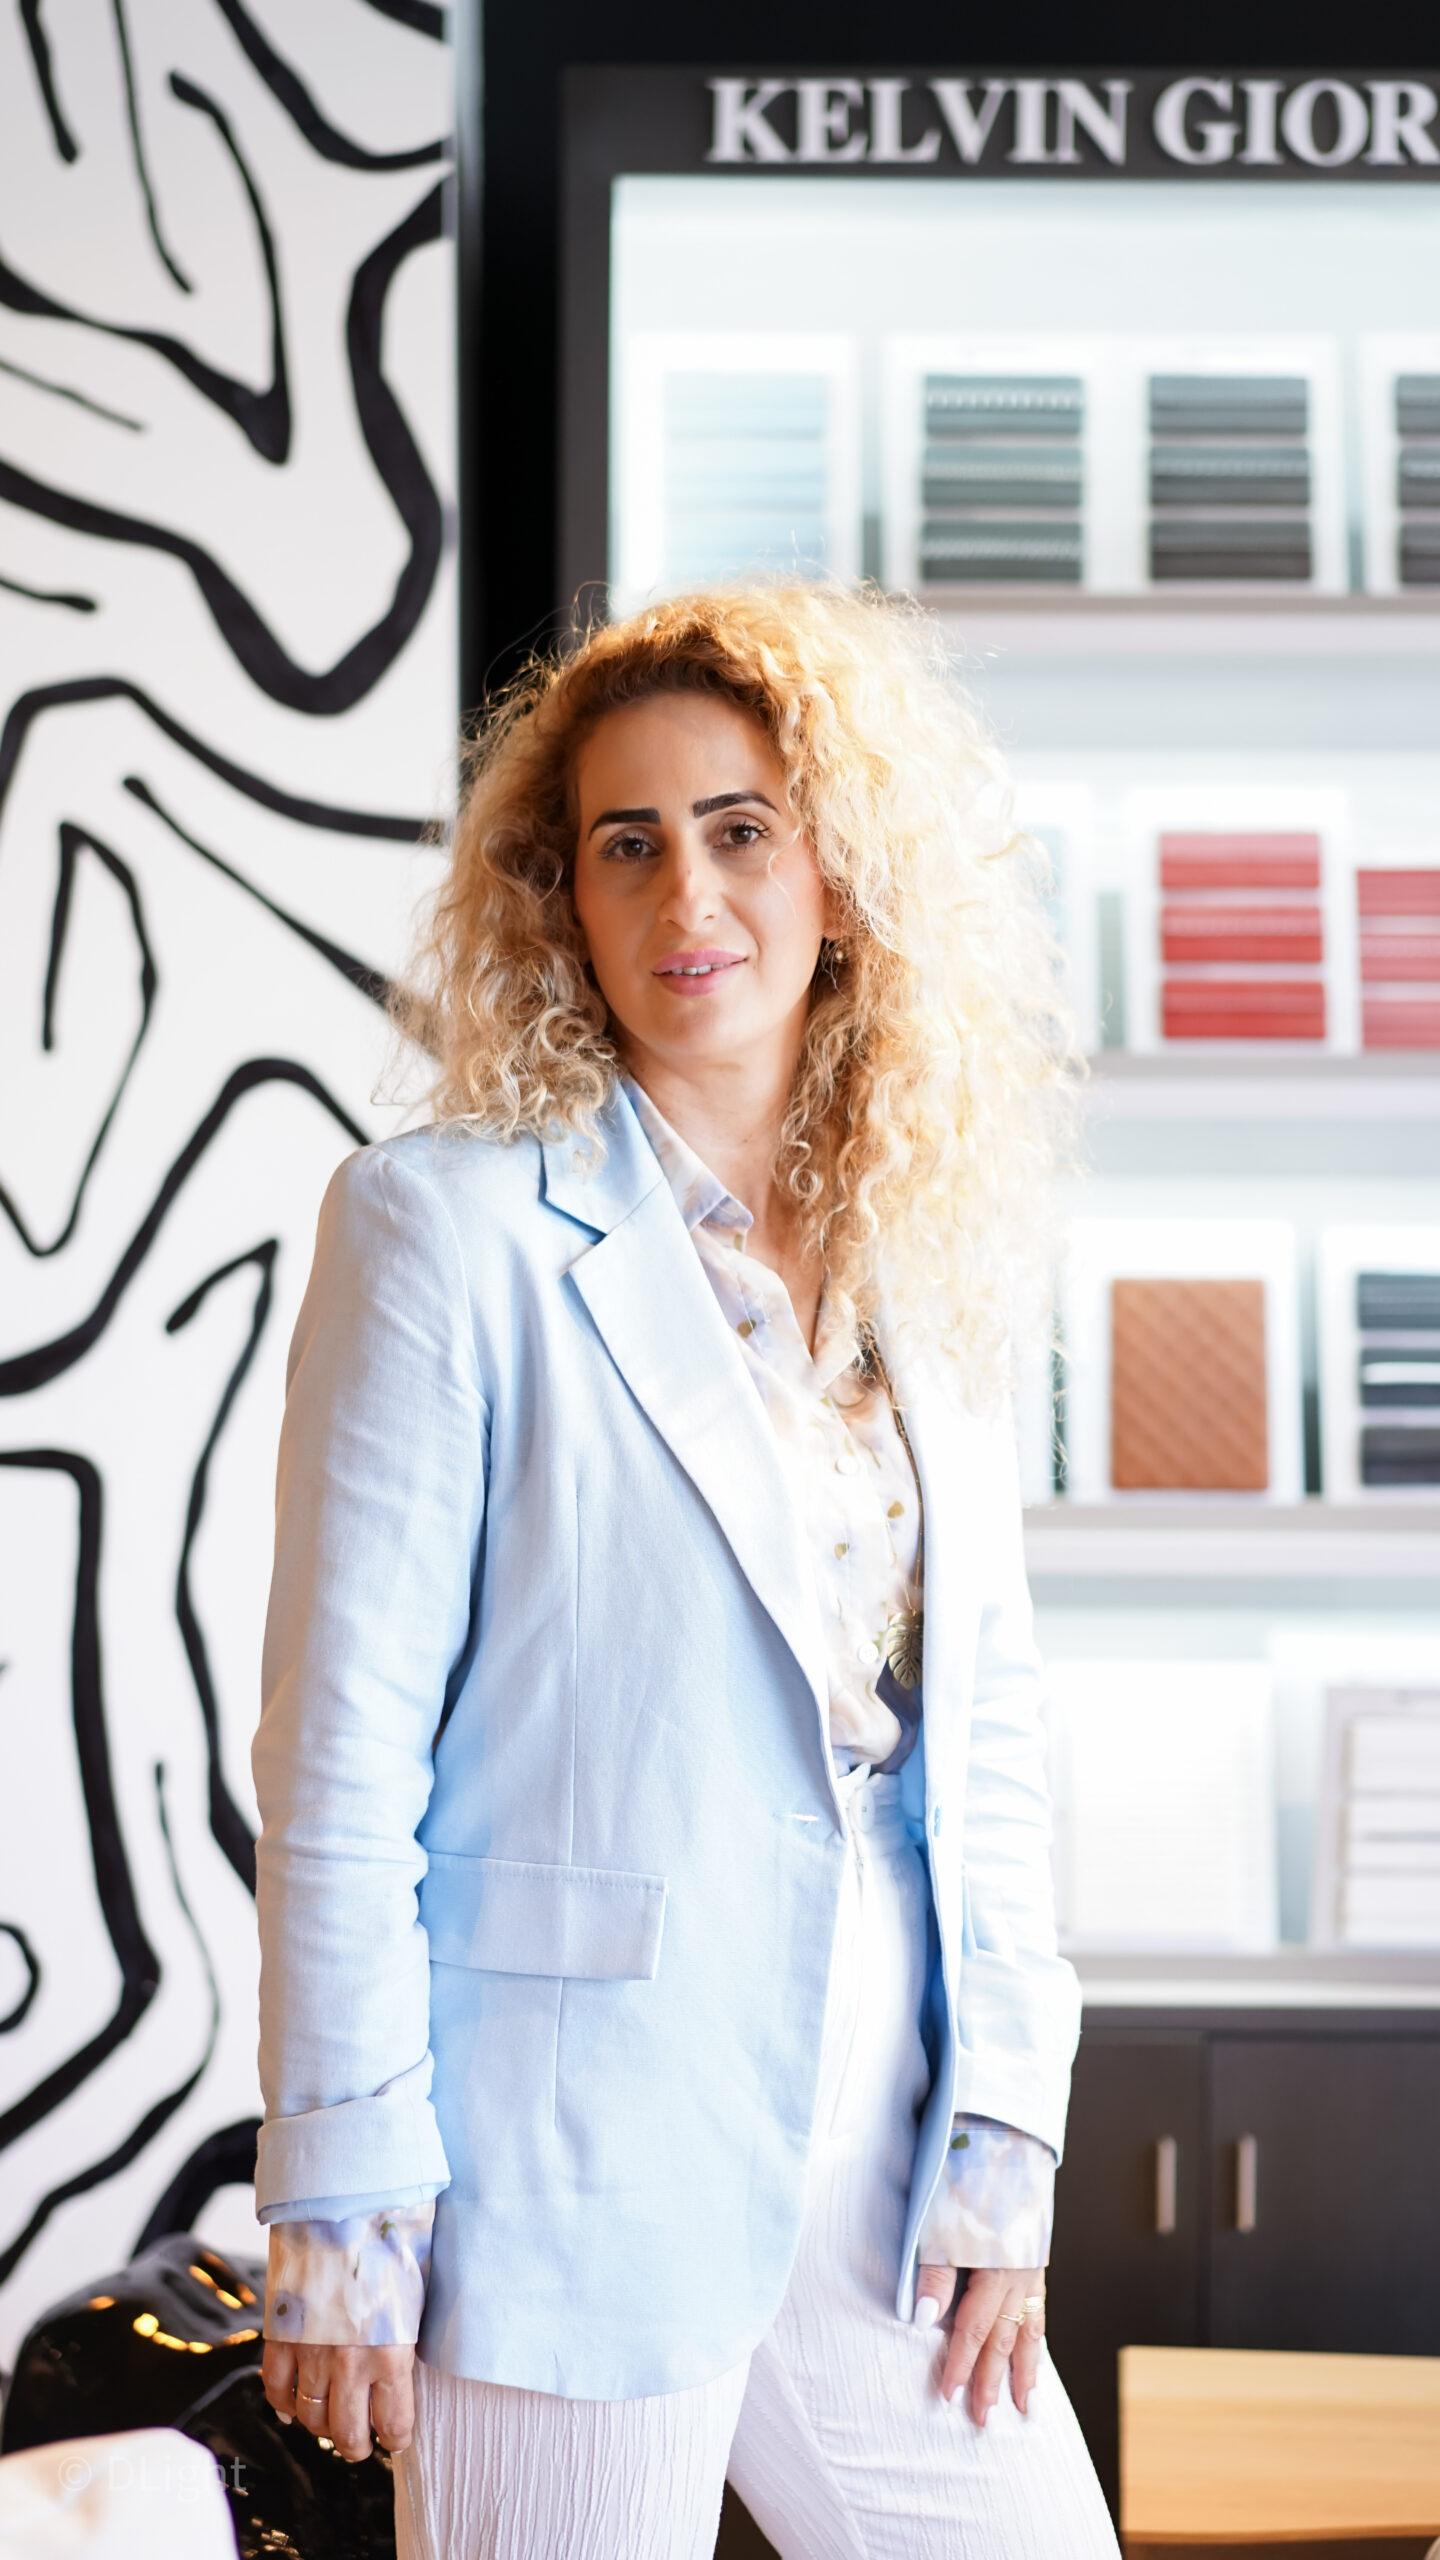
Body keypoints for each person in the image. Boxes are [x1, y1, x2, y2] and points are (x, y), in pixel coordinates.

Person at [250, 578, 1121, 2558]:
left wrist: (1009, 2122)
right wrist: (344, 2191)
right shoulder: (442, 1229)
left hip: (885, 2154)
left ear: (841, 876)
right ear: (564, 896)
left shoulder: (925, 1258)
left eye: (740, 829)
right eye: (625, 843)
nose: (685, 894)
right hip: (566, 2166)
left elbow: (988, 1733)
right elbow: (341, 1754)